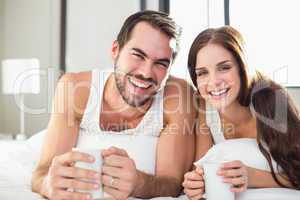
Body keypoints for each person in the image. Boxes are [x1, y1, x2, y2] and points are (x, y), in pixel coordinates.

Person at [31, 10, 196, 200]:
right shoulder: (75, 89)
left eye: (161, 63)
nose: (146, 73)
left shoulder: (178, 96)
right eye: (138, 55)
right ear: (115, 50)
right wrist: (47, 184)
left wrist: (139, 184)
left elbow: (173, 184)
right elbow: (42, 172)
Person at [182, 26, 300, 200]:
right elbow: (202, 169)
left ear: (242, 67)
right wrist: (196, 184)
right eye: (203, 73)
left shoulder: (273, 100)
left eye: (224, 68)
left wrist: (252, 177)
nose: (213, 82)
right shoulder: (204, 108)